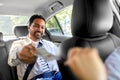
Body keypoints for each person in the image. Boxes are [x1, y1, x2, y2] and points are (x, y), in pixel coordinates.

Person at [8, 14, 62, 80]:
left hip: (57, 75)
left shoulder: (49, 44)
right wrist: (21, 58)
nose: (39, 29)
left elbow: (60, 56)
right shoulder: (18, 44)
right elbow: (11, 62)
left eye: (42, 27)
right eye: (36, 26)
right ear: (29, 27)